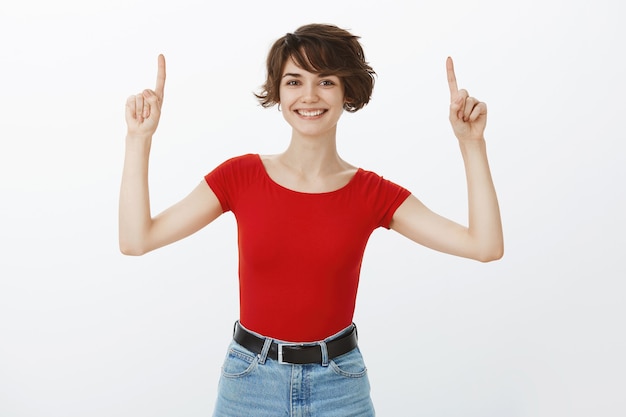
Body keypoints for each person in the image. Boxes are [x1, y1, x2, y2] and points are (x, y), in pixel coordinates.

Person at [119, 23, 503, 417]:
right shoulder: (239, 177)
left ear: (346, 92)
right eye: (293, 81)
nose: (308, 96)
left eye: (325, 82)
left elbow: (484, 246)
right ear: (278, 92)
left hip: (340, 387)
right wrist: (139, 138)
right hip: (250, 383)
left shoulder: (371, 193)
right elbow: (137, 239)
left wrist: (472, 144)